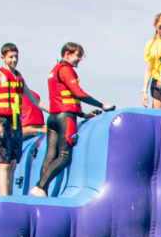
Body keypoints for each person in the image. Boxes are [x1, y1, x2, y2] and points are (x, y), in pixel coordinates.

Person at [30, 44, 115, 197]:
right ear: (67, 54)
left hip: (53, 118)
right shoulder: (65, 69)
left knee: (50, 155)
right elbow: (78, 93)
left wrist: (83, 114)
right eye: (78, 56)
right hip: (65, 118)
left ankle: (41, 190)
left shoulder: (53, 70)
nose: (79, 60)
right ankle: (40, 187)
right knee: (64, 157)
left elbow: (64, 97)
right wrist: (102, 105)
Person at [0, 43, 47, 197]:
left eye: (16, 57)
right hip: (2, 121)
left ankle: (10, 194)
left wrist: (53, 110)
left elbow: (34, 100)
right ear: (3, 57)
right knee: (4, 162)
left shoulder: (19, 77)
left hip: (15, 122)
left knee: (13, 162)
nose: (14, 60)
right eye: (10, 57)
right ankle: (4, 197)